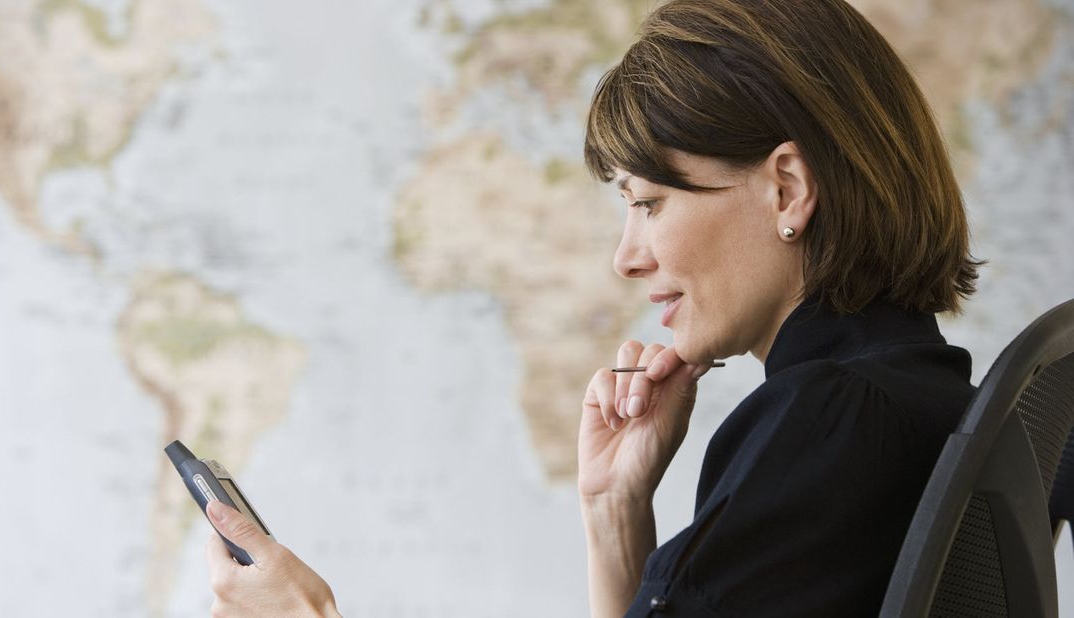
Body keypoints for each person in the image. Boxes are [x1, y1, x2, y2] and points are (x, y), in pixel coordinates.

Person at [202, 0, 981, 616]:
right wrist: (616, 512)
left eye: (648, 201)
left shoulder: (825, 423)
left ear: (787, 189)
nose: (626, 256)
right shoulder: (931, 395)